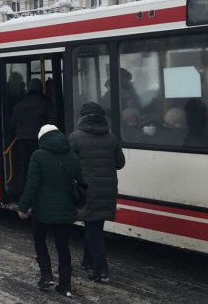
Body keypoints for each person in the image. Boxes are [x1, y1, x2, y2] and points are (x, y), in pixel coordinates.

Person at [18, 124, 83, 297]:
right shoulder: (72, 156)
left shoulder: (38, 156)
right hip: (65, 210)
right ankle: (65, 285)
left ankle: (46, 275)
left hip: (42, 211)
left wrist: (23, 207)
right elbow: (81, 182)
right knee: (63, 246)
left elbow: (32, 185)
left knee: (39, 238)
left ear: (42, 138)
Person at [68, 102, 126, 284]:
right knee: (94, 226)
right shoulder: (112, 138)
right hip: (107, 190)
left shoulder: (75, 137)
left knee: (93, 230)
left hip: (87, 191)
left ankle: (101, 271)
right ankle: (87, 261)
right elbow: (120, 163)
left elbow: (69, 163)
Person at [8, 78, 56, 195]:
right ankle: (41, 193)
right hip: (40, 141)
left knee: (25, 168)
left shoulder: (20, 103)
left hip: (22, 140)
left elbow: (11, 122)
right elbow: (52, 121)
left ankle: (23, 194)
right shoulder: (46, 102)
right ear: (41, 88)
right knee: (41, 168)